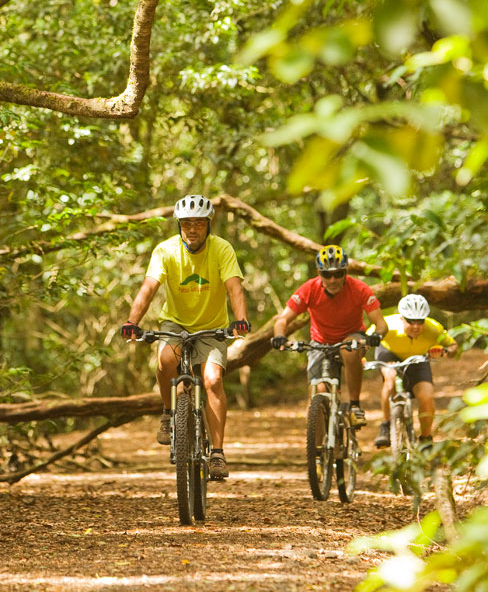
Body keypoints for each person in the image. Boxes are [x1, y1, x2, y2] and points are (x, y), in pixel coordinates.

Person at [119, 194, 250, 480]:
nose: (192, 229)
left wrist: (240, 320)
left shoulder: (222, 249)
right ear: (179, 225)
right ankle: (168, 414)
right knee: (166, 359)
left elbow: (234, 288)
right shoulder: (165, 250)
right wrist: (133, 321)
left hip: (212, 325)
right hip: (176, 323)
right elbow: (148, 288)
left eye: (199, 224)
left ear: (208, 225)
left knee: (213, 379)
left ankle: (217, 453)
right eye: (187, 223)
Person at [271, 245, 387, 426]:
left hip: (351, 337)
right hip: (320, 342)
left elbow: (381, 324)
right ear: (319, 273)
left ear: (346, 272)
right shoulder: (309, 289)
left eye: (338, 274)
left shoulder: (359, 289)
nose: (332, 279)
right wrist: (280, 336)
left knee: (348, 349)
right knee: (317, 394)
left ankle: (355, 406)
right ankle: (317, 451)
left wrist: (376, 335)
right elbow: (282, 319)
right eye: (327, 275)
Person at [373, 293, 458, 448]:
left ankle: (426, 438)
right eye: (411, 321)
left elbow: (453, 347)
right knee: (390, 378)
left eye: (420, 322)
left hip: (418, 358)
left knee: (426, 395)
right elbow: (365, 341)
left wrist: (444, 351)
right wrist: (360, 357)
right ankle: (385, 426)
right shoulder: (388, 326)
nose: (416, 326)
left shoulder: (433, 329)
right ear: (402, 318)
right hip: (389, 352)